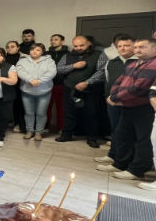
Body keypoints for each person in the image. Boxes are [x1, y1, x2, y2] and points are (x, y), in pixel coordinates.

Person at [99, 38, 156, 183]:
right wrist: (113, 95)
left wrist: (116, 97)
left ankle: (137, 170)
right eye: (136, 47)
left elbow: (139, 87)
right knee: (123, 135)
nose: (137, 50)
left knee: (143, 140)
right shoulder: (133, 63)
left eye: (142, 47)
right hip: (127, 105)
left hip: (144, 108)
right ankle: (120, 164)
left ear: (154, 48)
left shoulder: (153, 64)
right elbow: (119, 81)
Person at [55, 35, 108, 148]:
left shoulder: (99, 54)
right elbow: (59, 69)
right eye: (76, 46)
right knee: (69, 113)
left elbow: (102, 72)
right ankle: (66, 135)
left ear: (89, 44)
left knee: (91, 114)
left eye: (82, 45)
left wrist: (87, 82)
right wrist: (73, 66)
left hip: (90, 90)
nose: (78, 48)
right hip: (69, 88)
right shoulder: (67, 55)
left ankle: (92, 138)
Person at [95, 35, 136, 167]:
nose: (123, 48)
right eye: (120, 46)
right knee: (115, 129)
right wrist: (109, 97)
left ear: (134, 46)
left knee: (127, 132)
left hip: (131, 104)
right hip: (112, 102)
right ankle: (112, 155)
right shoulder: (112, 62)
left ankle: (123, 161)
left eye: (127, 45)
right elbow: (108, 81)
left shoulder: (140, 62)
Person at [16, 43, 56, 141]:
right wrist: (30, 80)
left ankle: (38, 132)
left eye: (38, 50)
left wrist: (39, 81)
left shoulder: (49, 61)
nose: (34, 51)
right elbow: (20, 71)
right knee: (28, 112)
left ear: (42, 52)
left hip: (44, 92)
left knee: (41, 113)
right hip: (27, 92)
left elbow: (52, 72)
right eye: (32, 49)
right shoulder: (22, 60)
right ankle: (29, 131)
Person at [46, 34, 70, 132]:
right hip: (47, 84)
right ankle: (45, 127)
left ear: (62, 41)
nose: (53, 41)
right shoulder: (46, 54)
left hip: (62, 84)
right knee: (46, 107)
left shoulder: (68, 54)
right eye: (51, 40)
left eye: (56, 39)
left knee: (62, 108)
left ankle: (61, 128)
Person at [5, 41, 26, 133]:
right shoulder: (3, 57)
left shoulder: (24, 58)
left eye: (12, 46)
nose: (9, 48)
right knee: (7, 105)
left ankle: (19, 124)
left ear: (18, 48)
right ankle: (8, 123)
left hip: (20, 85)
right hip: (6, 84)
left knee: (19, 105)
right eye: (8, 47)